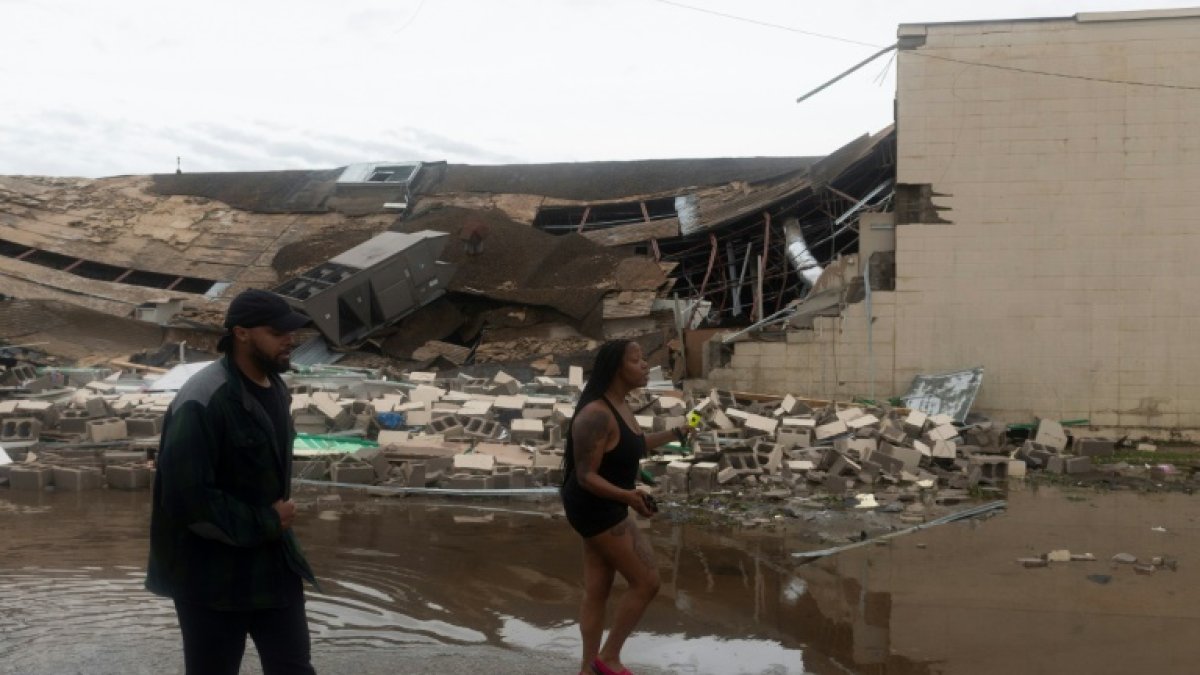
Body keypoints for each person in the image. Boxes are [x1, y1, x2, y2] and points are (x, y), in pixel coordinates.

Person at [146, 289, 318, 675]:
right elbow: (186, 500)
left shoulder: (276, 388)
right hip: (211, 579)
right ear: (241, 334)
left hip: (272, 566)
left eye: (291, 331)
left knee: (293, 667)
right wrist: (268, 521)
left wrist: (273, 528)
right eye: (277, 332)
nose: (289, 340)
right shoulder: (203, 400)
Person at [560, 340, 692, 675]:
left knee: (597, 589)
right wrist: (629, 497)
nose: (645, 364)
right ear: (617, 368)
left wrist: (678, 431)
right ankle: (609, 658)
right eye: (637, 360)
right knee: (647, 581)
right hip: (595, 506)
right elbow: (586, 476)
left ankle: (588, 670)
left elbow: (635, 446)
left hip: (607, 501)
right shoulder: (594, 414)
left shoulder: (620, 405)